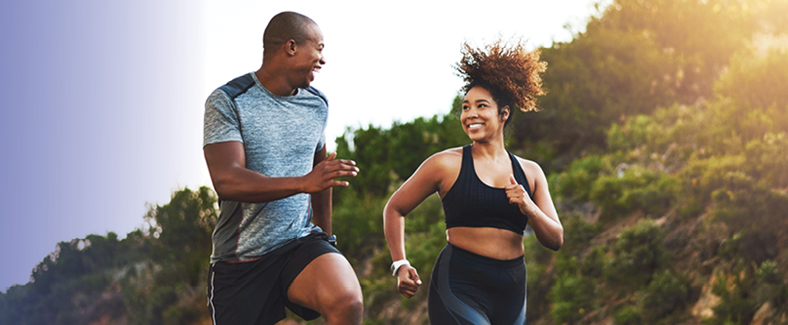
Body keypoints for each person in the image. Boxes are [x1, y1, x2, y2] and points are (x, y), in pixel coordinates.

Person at [383, 39, 564, 325]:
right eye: (465, 107)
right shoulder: (445, 164)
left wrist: (529, 208)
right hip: (460, 284)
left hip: (512, 290)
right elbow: (395, 208)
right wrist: (400, 263)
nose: (470, 115)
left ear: (503, 114)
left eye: (481, 106)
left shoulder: (530, 172)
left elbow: (555, 239)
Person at [202, 11, 363, 325]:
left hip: (298, 244)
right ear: (291, 47)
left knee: (347, 301)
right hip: (241, 261)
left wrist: (326, 239)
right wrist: (302, 183)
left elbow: (322, 174)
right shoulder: (228, 101)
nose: (323, 59)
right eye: (319, 48)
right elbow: (227, 179)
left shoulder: (317, 104)